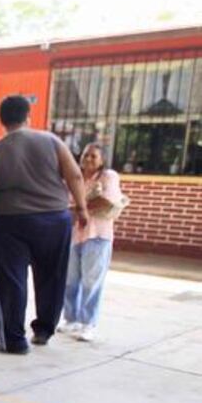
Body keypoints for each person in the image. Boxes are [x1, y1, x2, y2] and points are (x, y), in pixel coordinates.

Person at [0, 95, 88, 354]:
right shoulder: (51, 141)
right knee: (52, 276)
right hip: (54, 220)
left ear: (2, 121)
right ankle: (44, 330)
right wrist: (81, 208)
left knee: (9, 282)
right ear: (28, 116)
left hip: (9, 224)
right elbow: (75, 175)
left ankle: (12, 340)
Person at [61, 143, 127, 342]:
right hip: (75, 235)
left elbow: (108, 201)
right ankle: (71, 319)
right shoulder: (75, 177)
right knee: (71, 280)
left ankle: (88, 323)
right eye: (86, 155)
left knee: (92, 281)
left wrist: (79, 208)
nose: (88, 159)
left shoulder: (108, 176)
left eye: (93, 156)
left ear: (102, 160)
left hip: (98, 235)